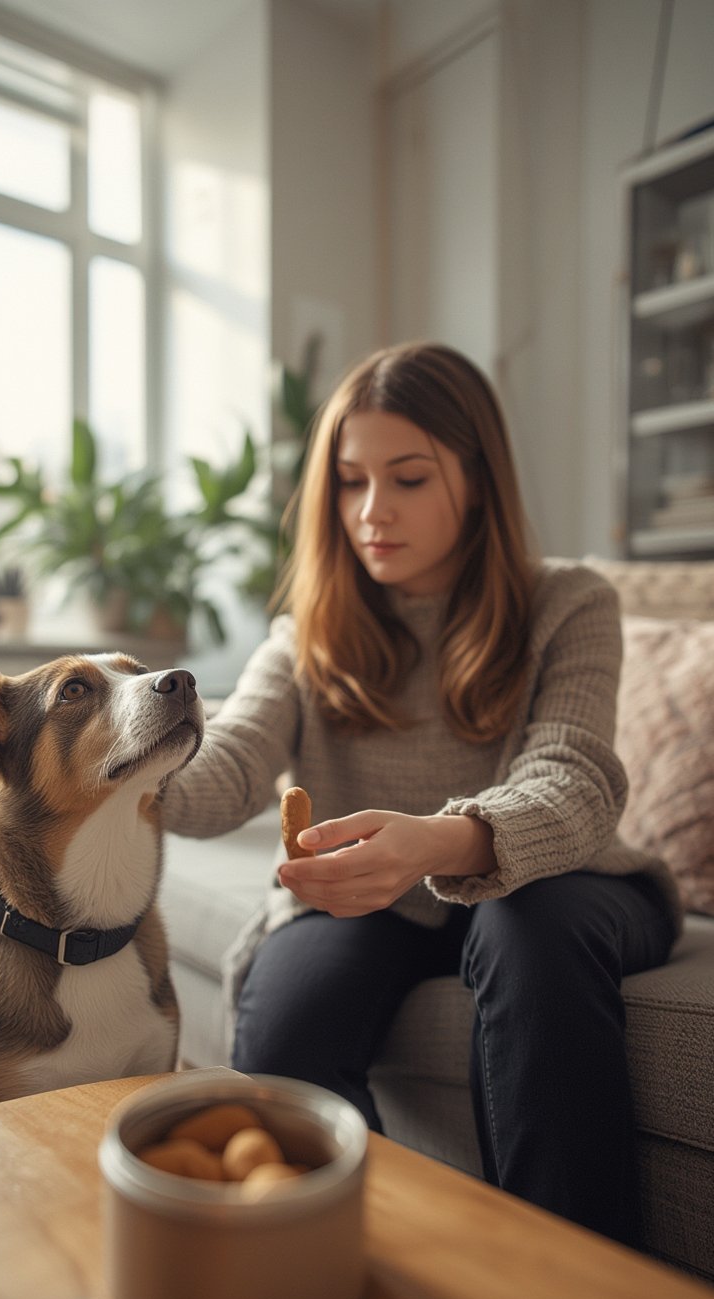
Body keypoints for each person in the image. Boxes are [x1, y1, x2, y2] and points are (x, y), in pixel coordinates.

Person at [160, 341, 680, 1250]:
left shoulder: (568, 603)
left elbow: (575, 779)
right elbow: (231, 766)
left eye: (406, 479)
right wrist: (109, 759)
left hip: (567, 883)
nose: (371, 513)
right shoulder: (307, 635)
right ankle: (363, 1271)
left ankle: (577, 1286)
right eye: (351, 482)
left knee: (527, 928)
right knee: (288, 1027)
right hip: (379, 903)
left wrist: (441, 842)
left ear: (477, 480)